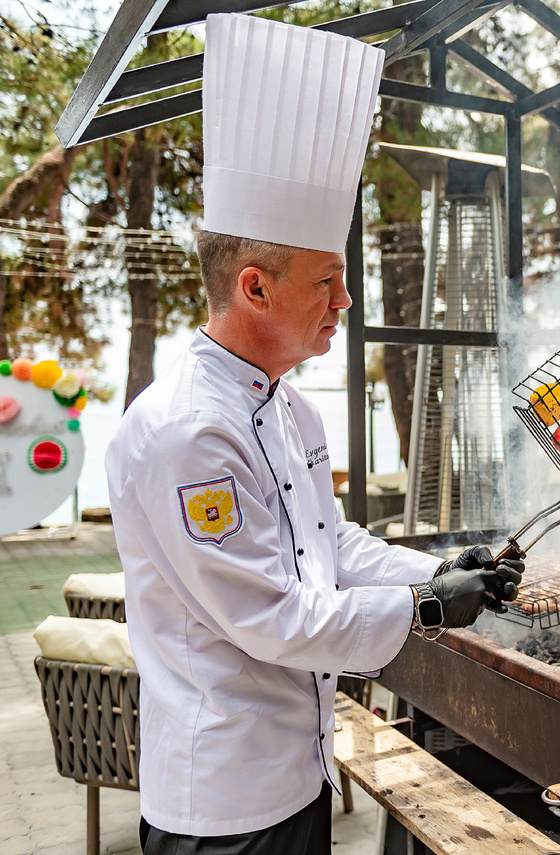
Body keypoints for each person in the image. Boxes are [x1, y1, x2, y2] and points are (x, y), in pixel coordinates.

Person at [104, 14, 522, 855]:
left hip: (297, 771)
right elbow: (275, 617)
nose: (347, 300)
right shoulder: (187, 430)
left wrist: (436, 567)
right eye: (329, 279)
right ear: (254, 288)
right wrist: (429, 605)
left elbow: (328, 547)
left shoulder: (289, 407)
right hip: (222, 798)